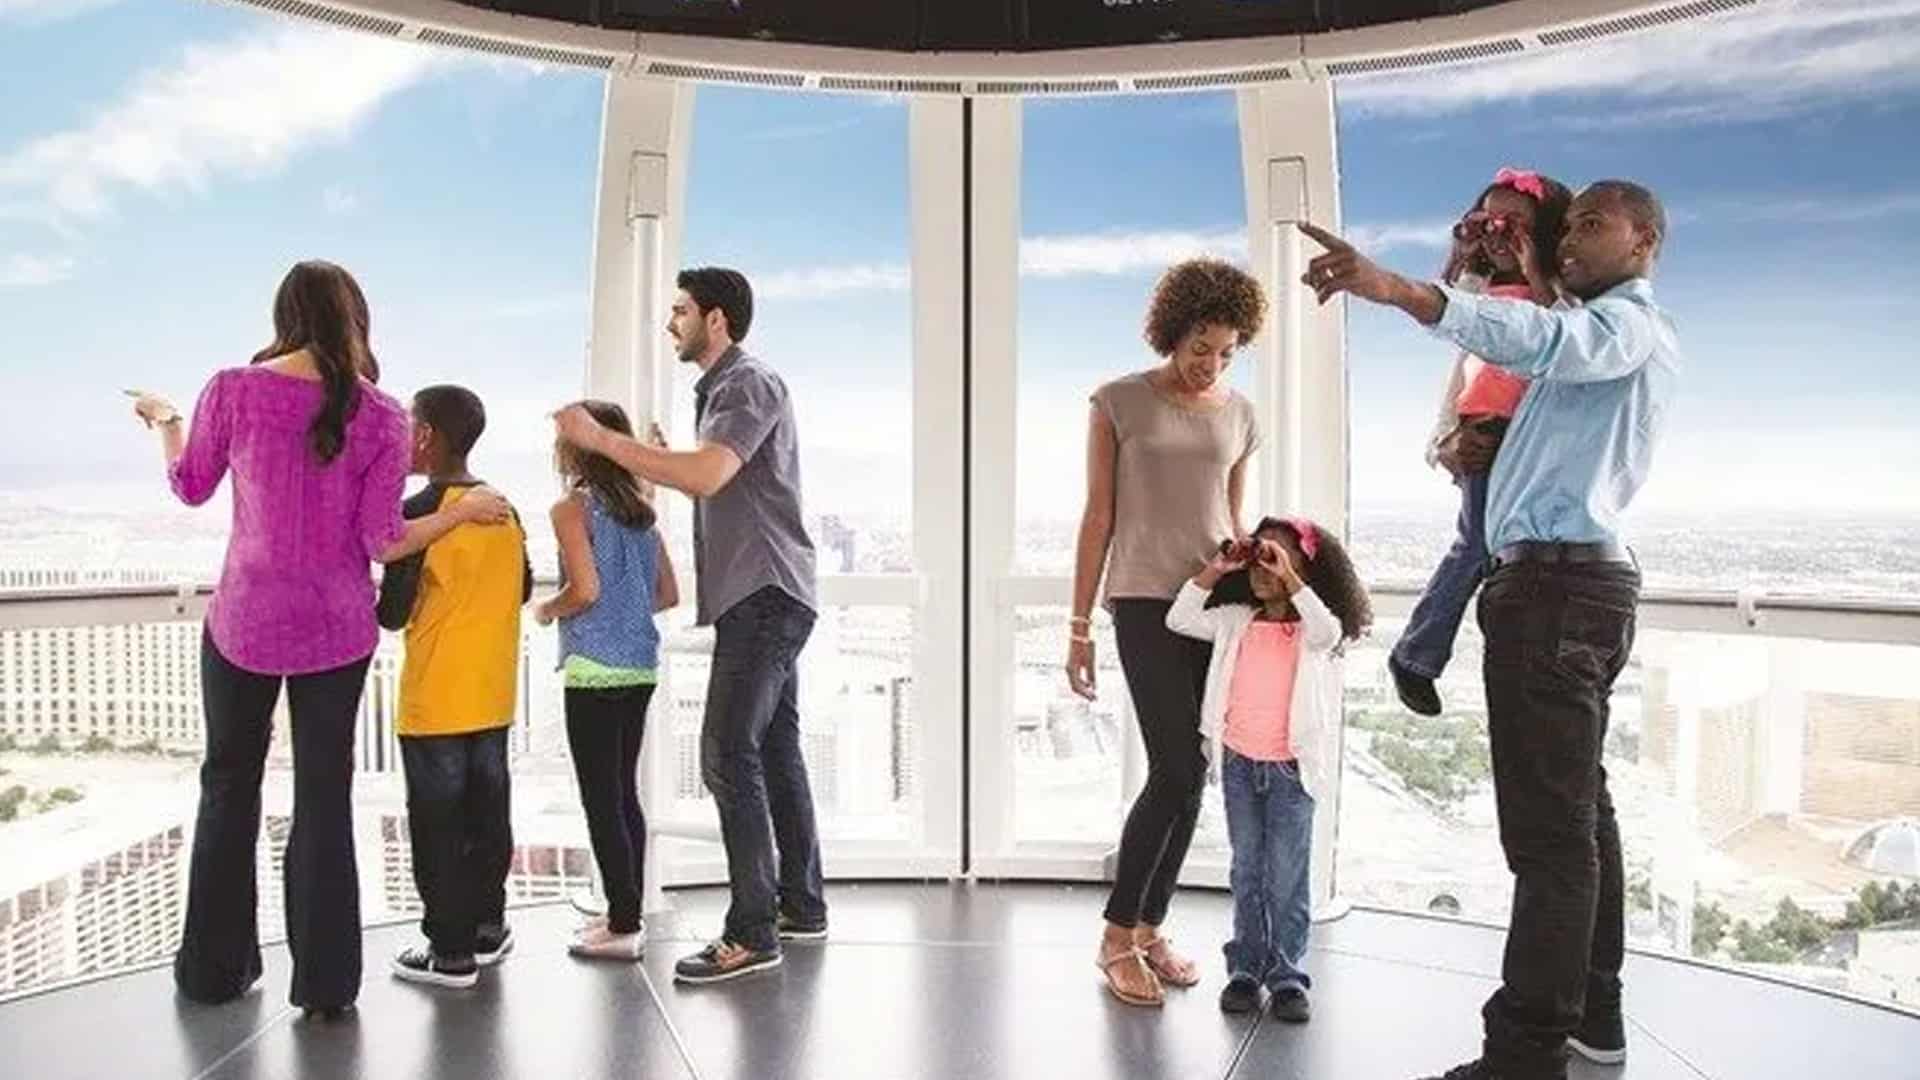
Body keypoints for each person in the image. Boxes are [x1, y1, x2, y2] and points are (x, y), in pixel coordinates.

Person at [1298, 179, 1680, 1080]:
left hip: (1556, 594)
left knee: (1549, 843)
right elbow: (1519, 386)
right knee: (1583, 823)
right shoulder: (1589, 341)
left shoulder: (1621, 328)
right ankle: (1594, 1018)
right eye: (1569, 225)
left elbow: (1541, 334)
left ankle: (1523, 1055)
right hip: (1566, 589)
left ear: (1646, 244)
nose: (1575, 238)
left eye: (1594, 224)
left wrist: (1400, 291)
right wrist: (1463, 446)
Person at [130, 261, 509, 1017]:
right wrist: (463, 513)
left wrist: (165, 422)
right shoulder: (384, 414)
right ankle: (329, 984)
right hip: (337, 631)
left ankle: (214, 972)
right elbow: (382, 540)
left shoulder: (234, 388)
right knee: (324, 796)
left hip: (244, 621)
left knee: (228, 788)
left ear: (284, 315)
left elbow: (189, 484)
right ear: (357, 320)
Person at [552, 267, 821, 985]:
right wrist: (660, 456)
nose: (670, 322)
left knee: (727, 753)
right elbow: (702, 473)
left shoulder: (744, 384)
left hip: (764, 594)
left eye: (680, 311)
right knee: (773, 752)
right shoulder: (722, 395)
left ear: (718, 319)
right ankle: (800, 904)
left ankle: (751, 932)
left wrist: (603, 441)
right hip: (765, 594)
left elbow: (705, 477)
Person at [1067, 257, 1266, 1007]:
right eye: (1200, 346)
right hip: (1145, 597)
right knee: (1177, 769)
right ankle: (1116, 936)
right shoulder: (1118, 401)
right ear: (1173, 332)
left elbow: (1233, 518)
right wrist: (1078, 624)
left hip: (1217, 603)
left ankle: (1149, 929)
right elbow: (1098, 517)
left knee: (1196, 776)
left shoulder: (1243, 414)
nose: (1211, 363)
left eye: (1226, 350)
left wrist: (1258, 580)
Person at [1166, 518, 1370, 1023]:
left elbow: (1329, 629)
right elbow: (1180, 617)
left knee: (1286, 877)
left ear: (1305, 569)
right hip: (1239, 763)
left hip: (1290, 772)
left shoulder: (1310, 631)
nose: (1265, 568)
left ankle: (1286, 976)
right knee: (1247, 871)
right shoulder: (1234, 619)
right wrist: (1219, 567)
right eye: (1260, 557)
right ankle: (1245, 968)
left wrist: (1293, 580)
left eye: (1278, 558)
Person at [1389, 168, 1572, 717]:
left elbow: (1556, 330)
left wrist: (1533, 264)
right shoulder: (1484, 294)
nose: (1499, 234)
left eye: (1516, 225)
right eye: (1490, 221)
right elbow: (1444, 310)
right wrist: (1460, 248)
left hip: (1529, 441)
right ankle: (1417, 655)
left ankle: (1424, 655)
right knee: (1478, 546)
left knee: (1498, 556)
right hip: (1484, 429)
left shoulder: (1557, 298)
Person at [376, 385, 531, 990]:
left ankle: (450, 953)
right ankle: (487, 931)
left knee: (438, 825)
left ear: (427, 435)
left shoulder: (419, 513)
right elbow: (517, 589)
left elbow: (392, 612)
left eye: (410, 423)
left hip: (437, 696)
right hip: (492, 693)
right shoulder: (504, 508)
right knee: (488, 819)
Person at [534, 400, 679, 962]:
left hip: (593, 670)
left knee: (602, 798)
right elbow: (667, 594)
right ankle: (626, 913)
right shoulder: (642, 515)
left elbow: (585, 590)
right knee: (623, 793)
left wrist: (549, 608)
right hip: (640, 665)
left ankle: (622, 927)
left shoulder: (571, 510)